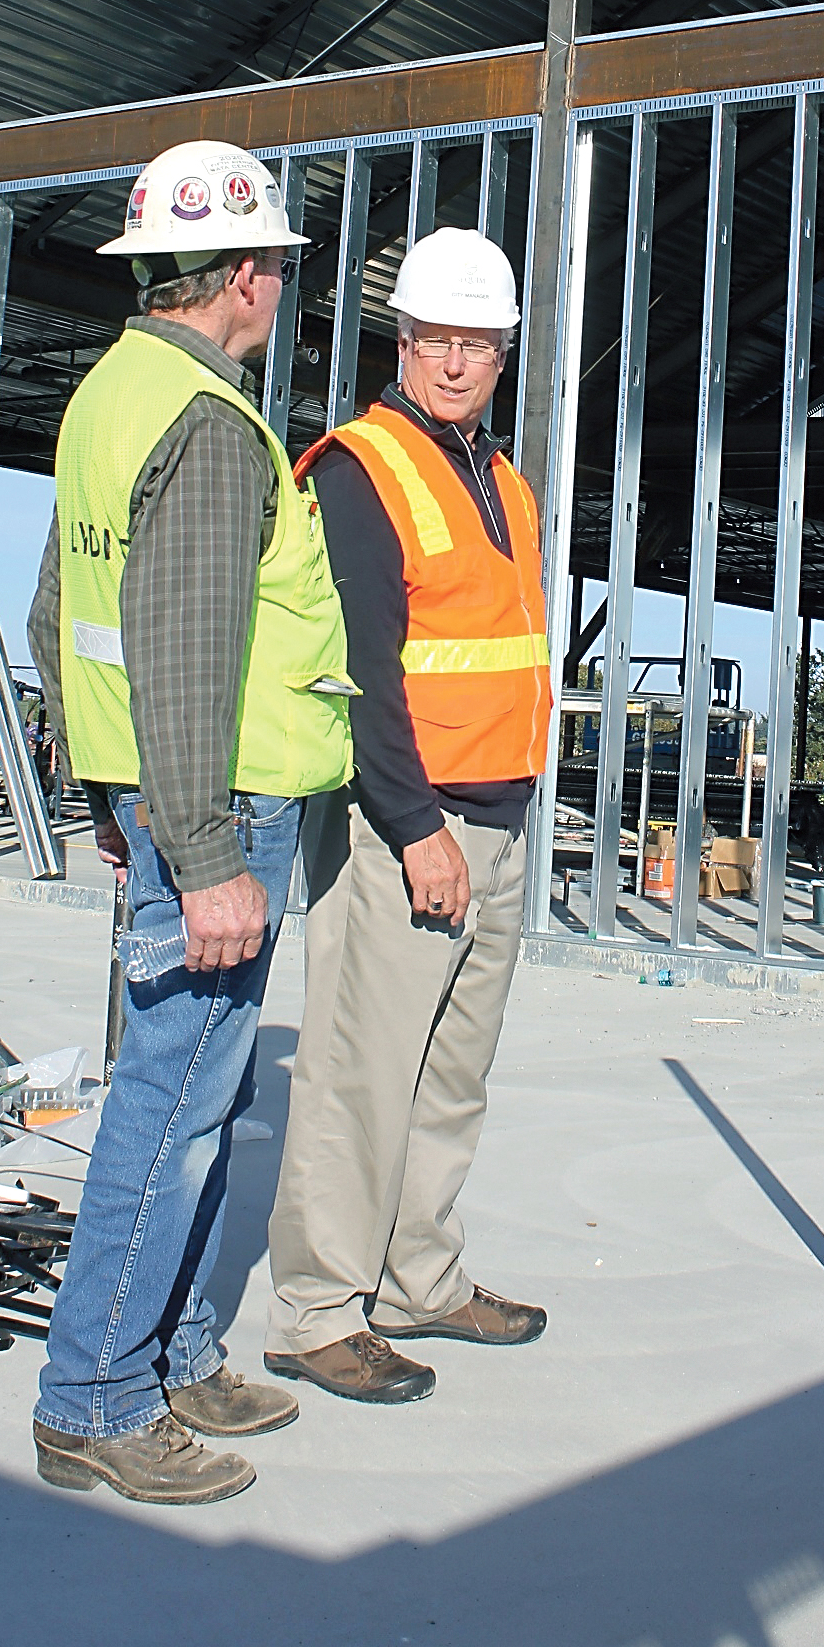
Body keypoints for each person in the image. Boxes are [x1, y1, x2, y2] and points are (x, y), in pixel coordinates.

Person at [26, 140, 355, 1504]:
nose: (277, 285)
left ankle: (170, 1354)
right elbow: (182, 646)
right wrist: (205, 853)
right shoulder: (216, 426)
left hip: (161, 802)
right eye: (275, 264)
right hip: (223, 812)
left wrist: (107, 796)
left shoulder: (112, 396)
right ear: (242, 277)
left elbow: (60, 620)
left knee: (200, 1102)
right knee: (170, 1106)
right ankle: (93, 1394)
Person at [264, 226, 552, 1405]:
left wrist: (493, 828)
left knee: (451, 1076)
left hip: (501, 818)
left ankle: (421, 1275)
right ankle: (319, 1313)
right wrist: (413, 825)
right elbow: (364, 674)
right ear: (403, 341)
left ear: (501, 355)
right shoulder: (360, 467)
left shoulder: (507, 481)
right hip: (408, 830)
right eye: (438, 338)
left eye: (478, 343)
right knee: (358, 1072)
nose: (456, 362)